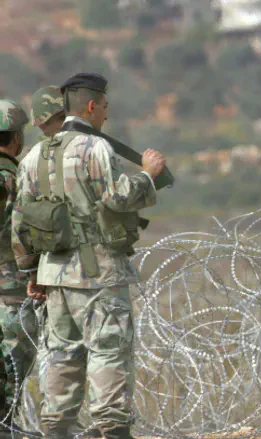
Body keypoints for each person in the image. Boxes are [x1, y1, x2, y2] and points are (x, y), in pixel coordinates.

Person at [11, 73, 166, 439]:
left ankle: (56, 428)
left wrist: (32, 272)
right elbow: (118, 198)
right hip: (98, 275)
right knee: (108, 352)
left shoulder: (33, 156)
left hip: (55, 276)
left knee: (62, 355)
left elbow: (22, 221)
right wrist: (149, 175)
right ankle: (112, 428)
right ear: (92, 106)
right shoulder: (94, 149)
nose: (106, 117)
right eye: (105, 108)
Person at [0, 100, 38, 433]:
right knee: (11, 382)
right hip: (10, 292)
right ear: (15, 137)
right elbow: (25, 234)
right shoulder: (16, 178)